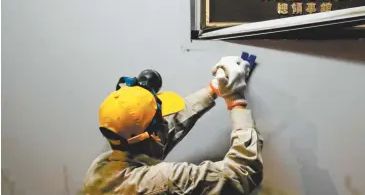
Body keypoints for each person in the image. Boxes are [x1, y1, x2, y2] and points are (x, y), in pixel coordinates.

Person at [83, 56, 263, 195]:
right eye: (162, 119)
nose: (166, 122)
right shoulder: (162, 181)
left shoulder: (101, 167)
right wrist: (236, 101)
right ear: (154, 135)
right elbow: (242, 172)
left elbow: (166, 131)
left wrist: (213, 89)